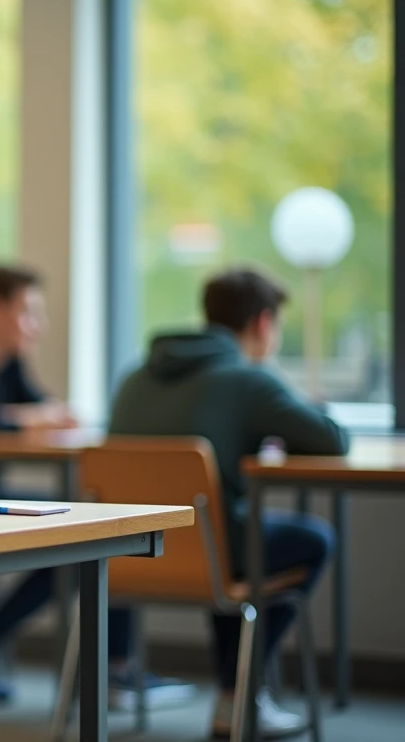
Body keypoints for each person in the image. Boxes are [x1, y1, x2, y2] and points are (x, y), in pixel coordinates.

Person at [0, 265, 186, 706]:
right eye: (29, 312)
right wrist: (20, 418)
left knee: (97, 526)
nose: (39, 326)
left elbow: (36, 405)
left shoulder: (8, 362)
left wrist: (49, 412)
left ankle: (110, 665)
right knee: (75, 538)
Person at [109, 267, 347, 739]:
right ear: (263, 324)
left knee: (228, 534)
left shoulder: (134, 376)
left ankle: (235, 692)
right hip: (211, 555)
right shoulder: (247, 380)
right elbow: (331, 440)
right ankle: (236, 694)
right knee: (311, 538)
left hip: (124, 556)